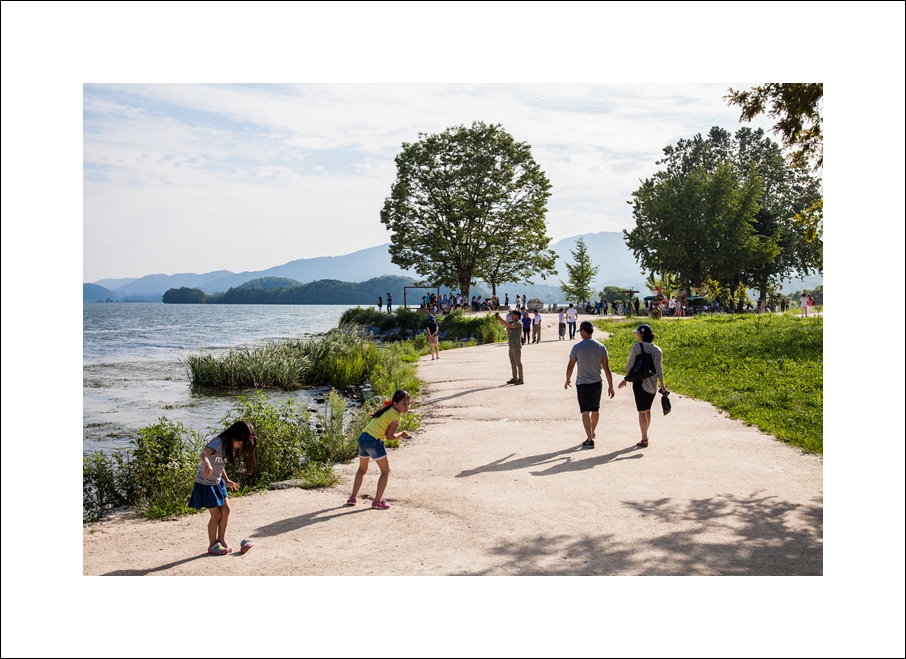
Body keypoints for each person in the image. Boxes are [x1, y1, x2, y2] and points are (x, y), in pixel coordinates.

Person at [188, 420, 258, 555]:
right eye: (240, 443)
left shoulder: (227, 446)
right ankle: (212, 544)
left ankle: (221, 539)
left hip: (218, 482)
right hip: (206, 484)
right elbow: (203, 454)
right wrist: (207, 464)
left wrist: (226, 480)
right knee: (216, 515)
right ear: (234, 437)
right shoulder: (218, 443)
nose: (239, 446)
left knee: (226, 510)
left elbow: (220, 466)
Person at [346, 390, 411, 510]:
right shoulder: (396, 417)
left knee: (362, 469)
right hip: (374, 441)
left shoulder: (387, 410)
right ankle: (377, 501)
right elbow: (389, 437)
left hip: (363, 437)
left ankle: (353, 498)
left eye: (408, 404)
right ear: (395, 404)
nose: (407, 407)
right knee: (386, 471)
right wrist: (401, 434)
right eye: (404, 404)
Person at [564, 321, 615, 448]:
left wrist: (567, 379)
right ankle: (592, 432)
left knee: (585, 411)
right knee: (595, 409)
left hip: (582, 384)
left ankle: (589, 439)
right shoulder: (601, 347)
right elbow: (606, 368)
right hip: (597, 383)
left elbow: (570, 366)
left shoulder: (577, 347)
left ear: (583, 331)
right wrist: (611, 386)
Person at [618, 324, 667, 448]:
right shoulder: (657, 350)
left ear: (642, 334)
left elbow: (630, 364)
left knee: (641, 411)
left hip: (639, 382)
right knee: (647, 409)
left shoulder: (637, 347)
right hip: (653, 384)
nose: (637, 336)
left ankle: (644, 438)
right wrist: (662, 385)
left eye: (638, 334)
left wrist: (626, 378)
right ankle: (645, 433)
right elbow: (659, 370)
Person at [495, 310, 524, 385]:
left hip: (516, 346)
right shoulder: (513, 322)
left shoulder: (519, 323)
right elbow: (504, 324)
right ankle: (515, 378)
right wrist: (499, 319)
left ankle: (521, 379)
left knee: (518, 362)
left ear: (517, 316)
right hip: (511, 345)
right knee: (513, 362)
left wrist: (501, 319)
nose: (512, 316)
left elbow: (510, 325)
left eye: (513, 315)